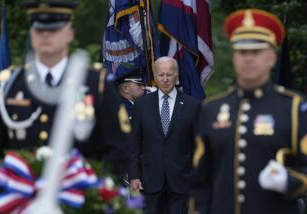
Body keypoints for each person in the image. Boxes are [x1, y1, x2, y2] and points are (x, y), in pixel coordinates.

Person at [0, 0, 131, 176]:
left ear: (70, 33)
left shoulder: (95, 83)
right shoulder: (9, 85)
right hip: (20, 196)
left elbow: (118, 149)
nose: (46, 35)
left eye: (54, 29)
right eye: (39, 29)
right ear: (31, 33)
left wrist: (98, 192)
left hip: (80, 196)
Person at [190, 9, 307, 214]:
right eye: (242, 52)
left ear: (271, 57)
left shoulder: (294, 107)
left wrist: (289, 181)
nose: (248, 59)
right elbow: (200, 182)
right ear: (234, 57)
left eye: (256, 52)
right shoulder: (211, 109)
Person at [130, 56, 200, 214]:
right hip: (149, 180)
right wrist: (134, 175)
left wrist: (197, 177)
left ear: (176, 75)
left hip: (182, 180)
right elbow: (134, 144)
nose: (165, 79)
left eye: (169, 74)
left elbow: (198, 146)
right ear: (155, 77)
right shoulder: (142, 105)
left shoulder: (192, 105)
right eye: (161, 75)